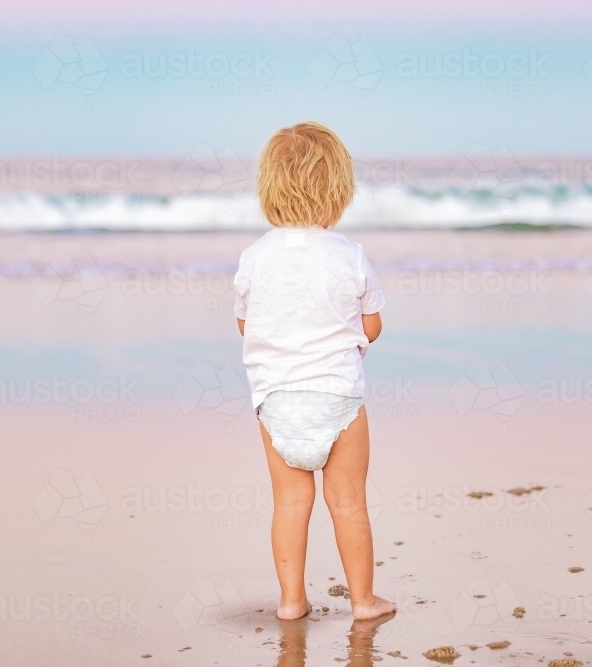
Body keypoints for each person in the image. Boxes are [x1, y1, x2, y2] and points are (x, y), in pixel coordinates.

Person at [233, 122, 395, 621]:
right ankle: (364, 602)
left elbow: (245, 325)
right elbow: (373, 325)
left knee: (290, 503)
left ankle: (291, 601)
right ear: (339, 190)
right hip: (339, 398)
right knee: (347, 504)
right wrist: (350, 338)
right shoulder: (349, 256)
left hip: (276, 401)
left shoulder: (255, 258)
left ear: (269, 189)